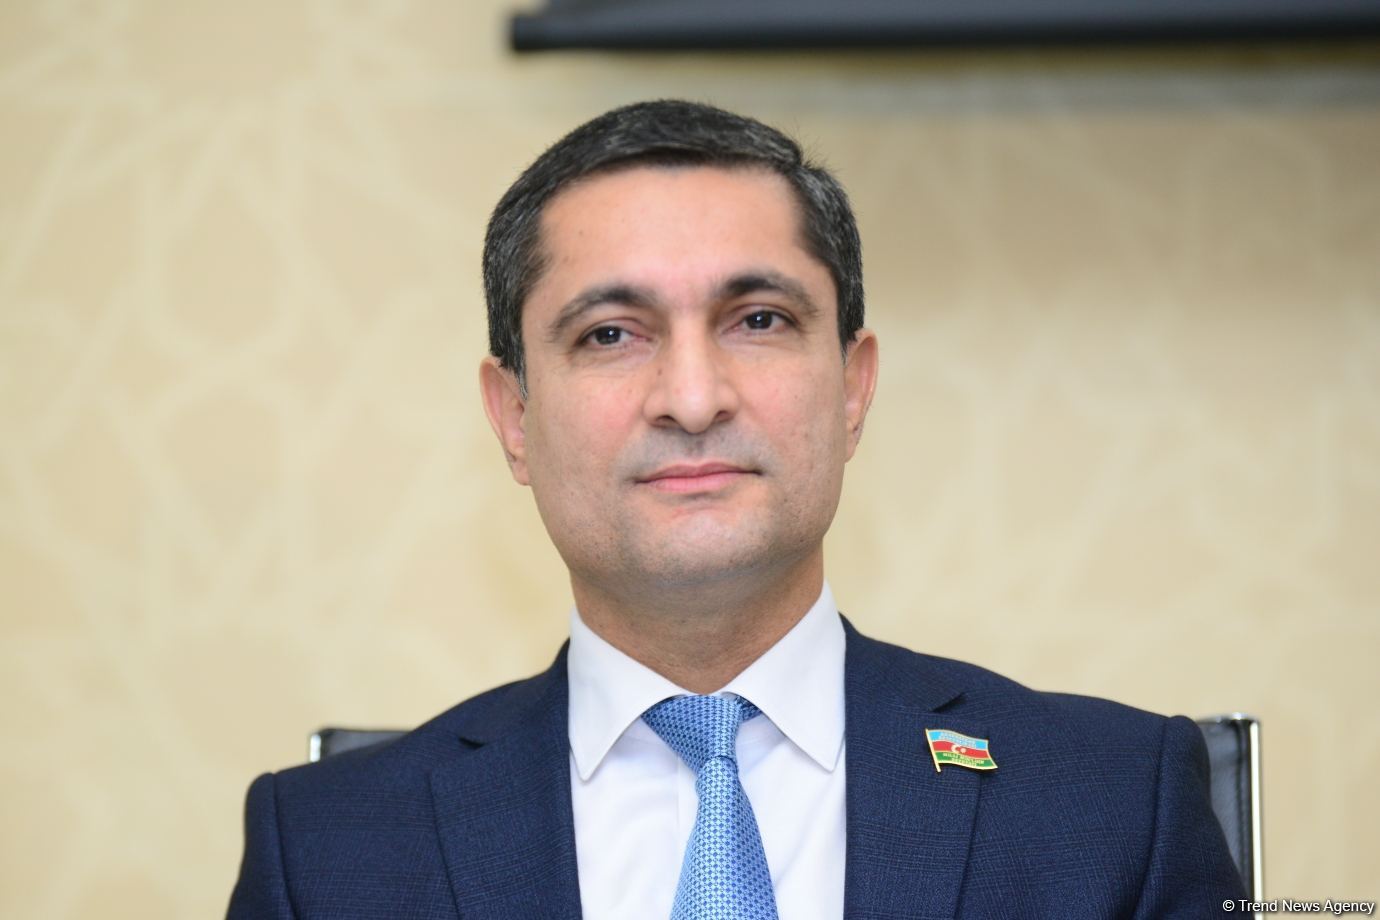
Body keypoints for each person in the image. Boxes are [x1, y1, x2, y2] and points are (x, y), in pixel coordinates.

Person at [227, 100, 1245, 919]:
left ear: (853, 387)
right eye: (610, 334)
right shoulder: (326, 853)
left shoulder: (1116, 806)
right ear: (514, 416)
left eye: (757, 319)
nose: (692, 396)